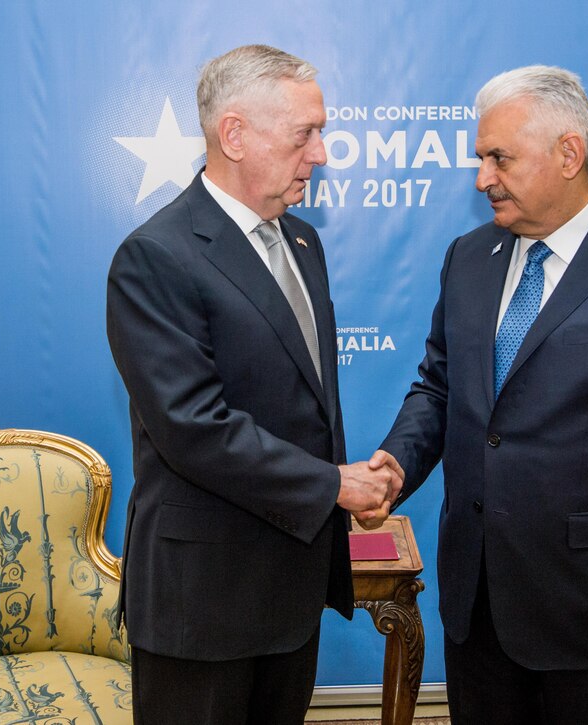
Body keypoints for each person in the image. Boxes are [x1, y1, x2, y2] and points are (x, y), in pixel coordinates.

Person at [375, 65, 588, 724]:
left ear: (569, 153)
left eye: (498, 158)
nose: (482, 177)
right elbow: (440, 385)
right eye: (482, 158)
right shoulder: (468, 257)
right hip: (477, 611)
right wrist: (395, 465)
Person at [106, 44, 402, 725]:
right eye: (306, 134)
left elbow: (304, 404)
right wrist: (334, 484)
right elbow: (193, 428)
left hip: (290, 590)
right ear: (233, 134)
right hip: (202, 602)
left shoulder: (302, 242)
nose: (322, 153)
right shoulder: (156, 257)